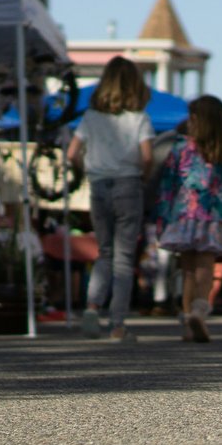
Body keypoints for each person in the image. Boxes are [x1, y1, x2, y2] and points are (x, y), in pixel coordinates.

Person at [150, 95, 222, 342]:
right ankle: (199, 312)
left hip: (181, 217)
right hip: (211, 218)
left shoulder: (179, 149)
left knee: (188, 271)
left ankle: (188, 319)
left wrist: (161, 219)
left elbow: (167, 187)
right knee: (205, 270)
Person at [66, 56, 153, 341]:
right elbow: (147, 156)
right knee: (125, 258)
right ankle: (117, 323)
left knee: (104, 251)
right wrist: (143, 176)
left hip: (98, 185)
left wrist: (86, 170)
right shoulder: (139, 118)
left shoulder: (90, 117)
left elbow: (71, 153)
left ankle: (92, 307)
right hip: (128, 184)